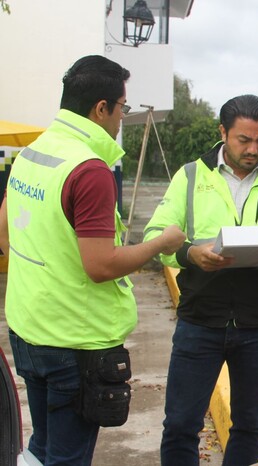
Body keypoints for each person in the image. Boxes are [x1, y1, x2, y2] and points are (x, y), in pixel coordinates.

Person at [0, 55, 186, 465]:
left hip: (28, 330)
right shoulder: (90, 170)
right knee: (66, 458)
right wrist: (161, 243)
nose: (123, 117)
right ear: (101, 108)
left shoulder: (34, 153)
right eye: (123, 107)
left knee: (41, 449)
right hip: (74, 344)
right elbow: (100, 266)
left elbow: (5, 232)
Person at [143, 94, 258, 466]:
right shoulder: (191, 176)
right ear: (223, 132)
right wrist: (191, 253)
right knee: (180, 424)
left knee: (250, 425)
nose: (254, 149)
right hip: (199, 320)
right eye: (244, 140)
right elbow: (155, 236)